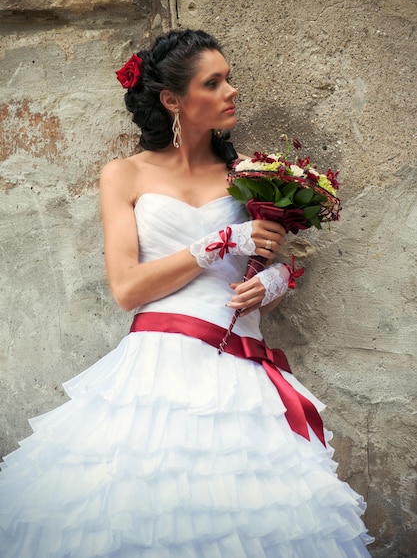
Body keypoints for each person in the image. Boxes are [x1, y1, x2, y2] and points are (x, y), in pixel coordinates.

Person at [0, 28, 373, 557]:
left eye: (230, 79)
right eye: (214, 82)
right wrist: (221, 241)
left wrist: (272, 281)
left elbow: (257, 271)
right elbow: (127, 289)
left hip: (242, 373)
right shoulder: (123, 174)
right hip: (159, 369)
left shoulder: (250, 177)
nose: (232, 91)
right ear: (172, 100)